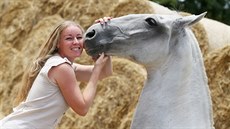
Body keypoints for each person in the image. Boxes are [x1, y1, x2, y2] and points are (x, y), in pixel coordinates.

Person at [0, 17, 113, 129]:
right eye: (69, 38)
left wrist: (104, 31)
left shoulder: (62, 65)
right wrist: (96, 70)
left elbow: (105, 72)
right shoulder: (61, 68)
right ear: (58, 43)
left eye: (79, 37)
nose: (75, 42)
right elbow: (82, 109)